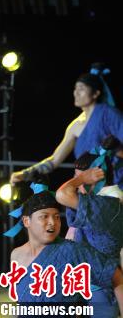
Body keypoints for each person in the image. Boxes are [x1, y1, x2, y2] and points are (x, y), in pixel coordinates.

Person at [6, 184, 123, 305]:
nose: (52, 222)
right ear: (26, 221)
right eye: (44, 216)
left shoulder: (72, 250)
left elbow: (116, 276)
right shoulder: (16, 254)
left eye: (56, 217)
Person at [11, 63, 123, 188]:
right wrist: (23, 174)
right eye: (75, 88)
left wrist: (113, 152)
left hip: (114, 184)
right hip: (87, 188)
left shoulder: (108, 114)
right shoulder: (74, 126)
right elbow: (54, 161)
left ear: (95, 93)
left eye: (81, 89)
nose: (76, 93)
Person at [56, 135, 123, 316]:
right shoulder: (97, 201)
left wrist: (81, 179)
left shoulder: (111, 203)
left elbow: (62, 194)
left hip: (103, 291)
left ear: (97, 175)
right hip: (85, 287)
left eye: (81, 178)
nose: (76, 183)